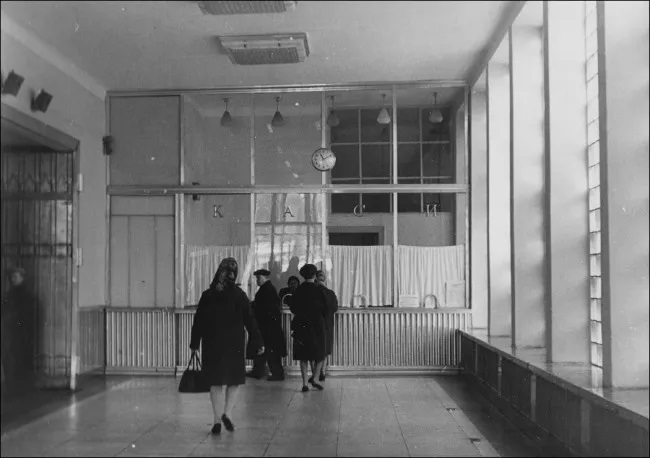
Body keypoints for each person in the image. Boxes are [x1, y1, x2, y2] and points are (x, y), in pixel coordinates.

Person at [190, 257, 264, 435]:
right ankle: (227, 414)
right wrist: (258, 341)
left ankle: (216, 420)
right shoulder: (240, 295)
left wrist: (194, 344)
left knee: (215, 383)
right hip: (234, 344)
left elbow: (198, 321)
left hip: (212, 344)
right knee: (233, 381)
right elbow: (250, 321)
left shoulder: (208, 295)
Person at [287, 263, 327, 392]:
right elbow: (325, 307)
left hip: (301, 326)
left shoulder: (298, 290)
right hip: (316, 325)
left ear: (303, 275)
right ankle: (315, 378)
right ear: (315, 275)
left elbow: (293, 307)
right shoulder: (319, 289)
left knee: (303, 356)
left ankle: (304, 383)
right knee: (320, 354)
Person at [1, 267, 37, 395]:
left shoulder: (23, 296)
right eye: (12, 276)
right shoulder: (14, 295)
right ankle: (16, 388)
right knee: (14, 359)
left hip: (18, 332)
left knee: (16, 360)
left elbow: (25, 316)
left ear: (22, 277)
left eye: (15, 276)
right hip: (15, 332)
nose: (13, 279)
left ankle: (16, 388)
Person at [247, 269, 287, 381]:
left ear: (265, 277)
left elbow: (264, 307)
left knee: (269, 350)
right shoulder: (268, 289)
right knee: (265, 349)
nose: (257, 280)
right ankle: (259, 371)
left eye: (259, 278)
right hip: (269, 325)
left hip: (268, 326)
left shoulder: (267, 290)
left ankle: (276, 374)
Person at [314, 270, 338, 382]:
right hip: (327, 324)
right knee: (325, 349)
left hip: (314, 325)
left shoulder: (312, 292)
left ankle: (316, 372)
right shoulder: (330, 293)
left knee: (315, 349)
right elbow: (334, 308)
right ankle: (322, 371)